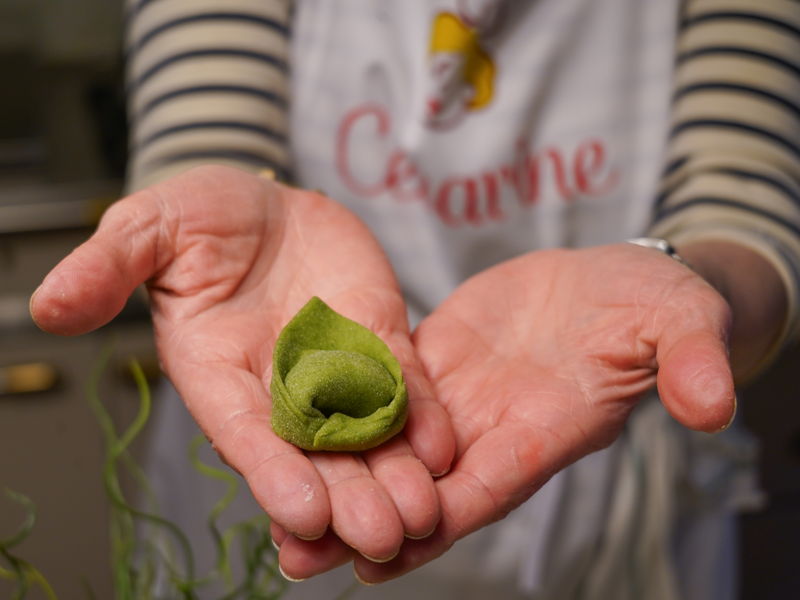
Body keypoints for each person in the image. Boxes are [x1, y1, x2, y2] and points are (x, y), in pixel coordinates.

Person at [30, 0, 800, 598]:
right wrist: (224, 223)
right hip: (259, 397)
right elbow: (204, 120)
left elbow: (741, 190)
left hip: (600, 441)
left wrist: (686, 279)